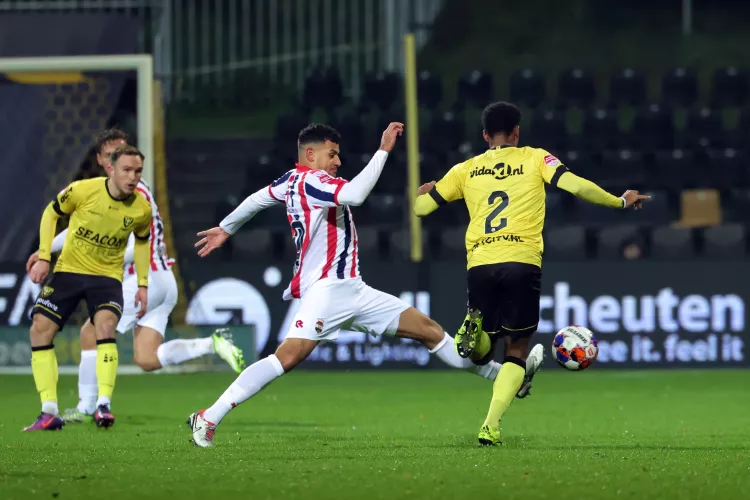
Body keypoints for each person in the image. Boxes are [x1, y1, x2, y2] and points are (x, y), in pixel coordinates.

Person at [186, 122, 503, 447]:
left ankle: (502, 376)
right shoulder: (313, 181)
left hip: (354, 290)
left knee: (429, 330)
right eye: (332, 154)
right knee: (287, 357)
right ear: (311, 154)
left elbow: (257, 198)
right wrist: (383, 150)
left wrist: (226, 228)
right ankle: (208, 417)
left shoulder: (290, 181)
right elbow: (356, 195)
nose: (338, 161)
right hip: (327, 290)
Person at [413, 101, 650, 446]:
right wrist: (620, 201)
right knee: (516, 350)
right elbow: (576, 186)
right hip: (522, 261)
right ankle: (490, 425)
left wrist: (422, 194)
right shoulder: (536, 158)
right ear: (516, 132)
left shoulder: (465, 169)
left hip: (480, 262)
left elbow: (421, 208)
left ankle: (474, 331)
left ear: (485, 136)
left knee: (481, 354)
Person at [26, 132, 246, 423]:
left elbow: (130, 245)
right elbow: (82, 229)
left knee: (90, 332)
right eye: (111, 155)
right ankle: (212, 343)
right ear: (103, 161)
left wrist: (100, 259)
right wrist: (48, 250)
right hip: (163, 281)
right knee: (146, 358)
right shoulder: (101, 192)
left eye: (124, 155)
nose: (119, 162)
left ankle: (87, 407)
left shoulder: (133, 196)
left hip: (146, 278)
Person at [24, 145, 153, 431]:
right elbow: (50, 214)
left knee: (104, 327)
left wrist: (142, 284)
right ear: (111, 169)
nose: (132, 177)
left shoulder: (141, 209)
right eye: (126, 170)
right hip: (68, 272)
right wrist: (44, 256)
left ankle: (103, 405)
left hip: (106, 277)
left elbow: (143, 243)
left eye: (137, 171)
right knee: (39, 328)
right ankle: (49, 411)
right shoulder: (82, 190)